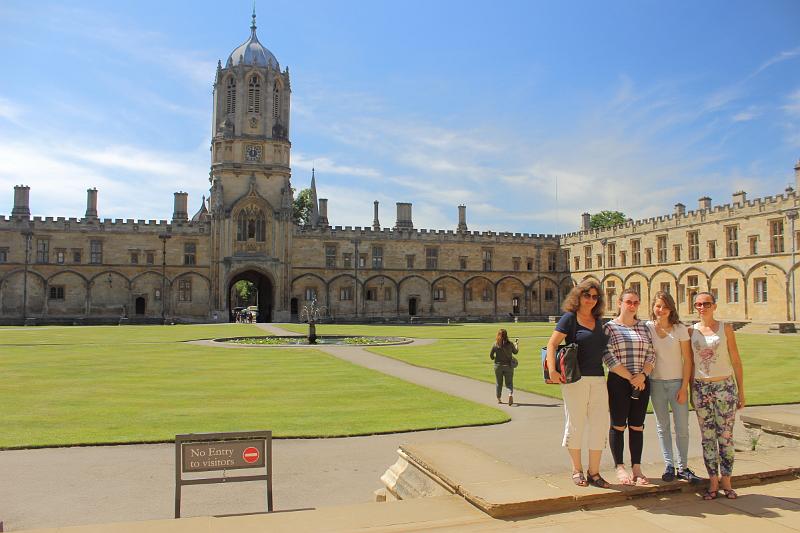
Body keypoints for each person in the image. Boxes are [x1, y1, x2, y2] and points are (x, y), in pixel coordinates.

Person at [545, 279, 610, 489]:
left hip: (598, 378)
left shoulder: (599, 320)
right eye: (586, 295)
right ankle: (577, 470)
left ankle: (595, 472)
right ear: (578, 296)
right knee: (576, 424)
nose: (591, 300)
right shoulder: (569, 319)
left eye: (594, 296)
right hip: (575, 379)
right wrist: (553, 370)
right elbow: (552, 344)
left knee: (600, 425)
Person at [690, 291, 745, 500]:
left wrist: (742, 390)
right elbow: (691, 364)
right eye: (698, 304)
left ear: (714, 306)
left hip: (725, 387)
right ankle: (713, 482)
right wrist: (690, 391)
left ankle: (727, 482)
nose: (702, 307)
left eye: (706, 303)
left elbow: (736, 360)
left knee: (726, 437)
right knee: (707, 438)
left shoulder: (725, 328)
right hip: (702, 389)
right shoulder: (691, 331)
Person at [646, 291, 701, 484]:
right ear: (653, 307)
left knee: (682, 427)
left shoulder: (679, 329)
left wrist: (684, 386)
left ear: (671, 309)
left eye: (664, 306)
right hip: (656, 383)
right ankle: (669, 465)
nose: (661, 310)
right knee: (663, 426)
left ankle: (683, 466)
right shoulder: (648, 328)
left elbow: (688, 360)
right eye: (658, 306)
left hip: (677, 383)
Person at [603, 289, 655, 486]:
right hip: (619, 381)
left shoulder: (644, 327)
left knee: (637, 425)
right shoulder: (610, 327)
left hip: (642, 381)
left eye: (635, 302)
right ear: (619, 303)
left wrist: (642, 375)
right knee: (618, 425)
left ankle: (637, 468)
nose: (631, 305)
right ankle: (620, 467)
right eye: (628, 302)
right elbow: (608, 356)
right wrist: (630, 377)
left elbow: (651, 354)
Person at [490, 329, 518, 405]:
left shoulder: (495, 344)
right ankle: (510, 394)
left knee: (499, 383)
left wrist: (495, 357)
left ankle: (499, 399)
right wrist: (516, 344)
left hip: (498, 366)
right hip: (508, 366)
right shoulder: (510, 344)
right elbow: (515, 352)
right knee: (509, 383)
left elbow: (491, 356)